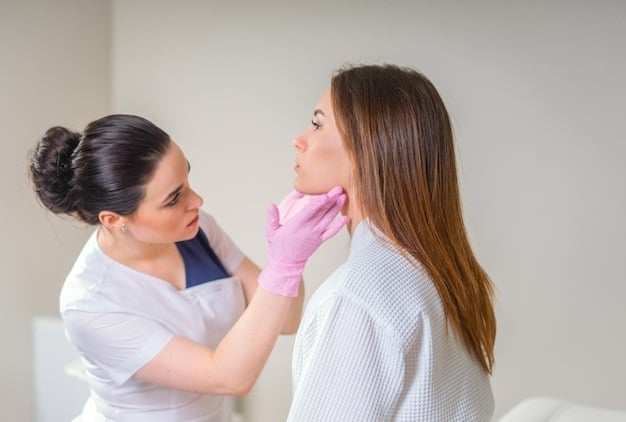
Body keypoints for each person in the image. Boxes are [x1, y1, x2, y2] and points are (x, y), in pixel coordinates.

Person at [28, 114, 346, 421]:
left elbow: (286, 318)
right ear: (114, 219)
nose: (197, 201)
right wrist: (285, 262)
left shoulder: (196, 230)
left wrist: (289, 248)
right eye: (173, 198)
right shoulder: (88, 304)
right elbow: (228, 378)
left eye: (187, 179)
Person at [286, 64, 497, 421]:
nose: (300, 139)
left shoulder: (358, 295)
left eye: (318, 124)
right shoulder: (443, 272)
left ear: (365, 149)